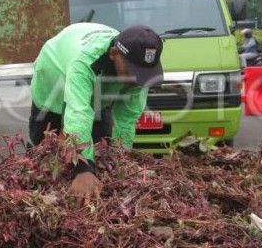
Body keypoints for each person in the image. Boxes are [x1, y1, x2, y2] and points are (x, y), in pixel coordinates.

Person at [29, 23, 163, 203]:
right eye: (132, 72)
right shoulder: (84, 61)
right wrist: (83, 170)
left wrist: (120, 160)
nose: (137, 79)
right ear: (114, 54)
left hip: (99, 88)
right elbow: (78, 112)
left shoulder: (138, 67)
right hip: (53, 76)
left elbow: (126, 119)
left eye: (143, 74)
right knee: (46, 146)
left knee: (102, 140)